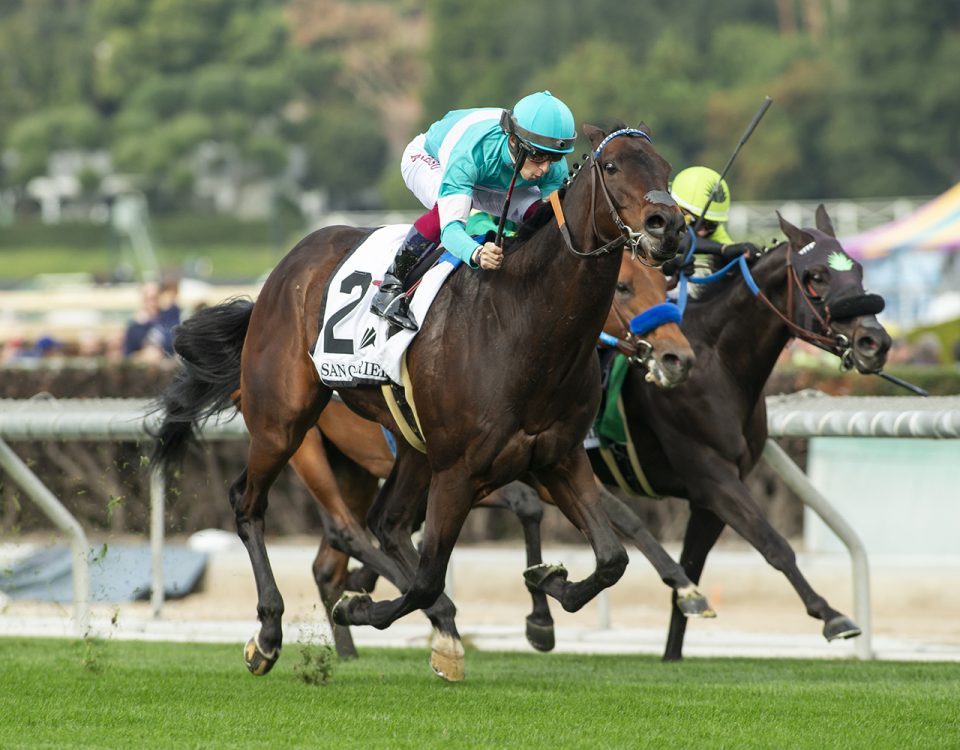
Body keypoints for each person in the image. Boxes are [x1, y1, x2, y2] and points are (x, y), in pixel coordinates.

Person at [370, 90, 576, 330]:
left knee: (542, 213)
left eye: (554, 157)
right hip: (429, 159)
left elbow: (554, 219)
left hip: (494, 176)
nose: (545, 168)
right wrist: (477, 253)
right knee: (446, 210)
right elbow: (451, 230)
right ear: (513, 141)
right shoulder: (470, 154)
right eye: (539, 157)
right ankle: (389, 286)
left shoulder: (551, 164)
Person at [665, 166, 759, 281]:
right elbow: (670, 238)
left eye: (710, 225)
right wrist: (665, 268)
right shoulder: (649, 214)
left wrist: (747, 255)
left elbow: (732, 249)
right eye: (696, 222)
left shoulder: (713, 229)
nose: (702, 232)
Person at [122, 280, 177, 361]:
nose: (152, 303)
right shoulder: (134, 327)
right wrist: (142, 355)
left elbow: (174, 345)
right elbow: (127, 355)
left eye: (155, 298)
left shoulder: (169, 320)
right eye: (148, 299)